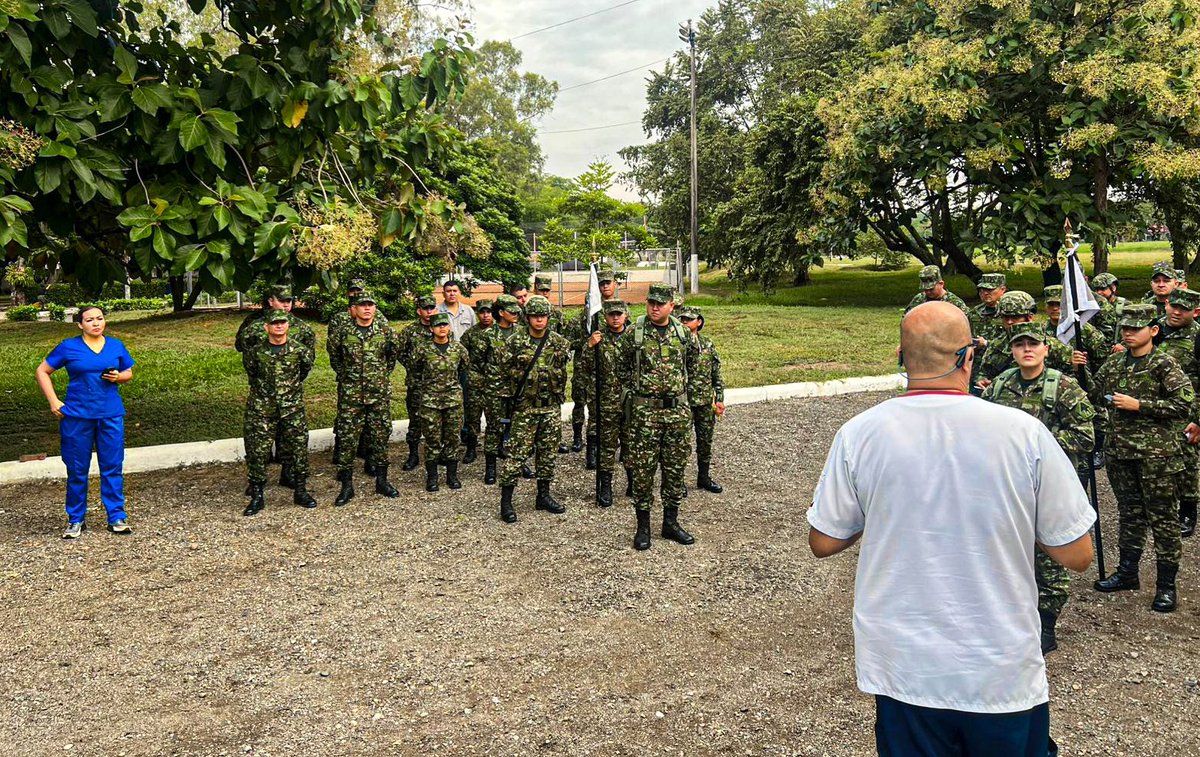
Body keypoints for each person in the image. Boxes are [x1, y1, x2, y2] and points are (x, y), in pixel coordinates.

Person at [808, 301, 1095, 756]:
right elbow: (1078, 555)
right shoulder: (1024, 433)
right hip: (998, 666)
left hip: (904, 668)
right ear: (968, 357)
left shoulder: (859, 433)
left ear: (901, 358)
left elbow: (824, 541)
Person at [982, 323, 1095, 653]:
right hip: (1005, 488)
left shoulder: (1064, 387)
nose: (1027, 350)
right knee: (1005, 553)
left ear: (1046, 349)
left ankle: (1046, 624)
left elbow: (1085, 436)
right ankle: (1009, 617)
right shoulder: (1000, 386)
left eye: (1033, 344)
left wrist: (1035, 447)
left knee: (1049, 558)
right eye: (1020, 345)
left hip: (1046, 487)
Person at [1090, 303, 1192, 612]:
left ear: (1153, 330)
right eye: (1126, 328)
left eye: (1136, 327)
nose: (1130, 333)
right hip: (1121, 452)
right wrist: (1081, 369)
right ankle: (1127, 572)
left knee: (1163, 519)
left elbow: (1183, 403)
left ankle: (1165, 586)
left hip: (1157, 456)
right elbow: (1096, 394)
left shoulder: (1164, 364)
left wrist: (1141, 405)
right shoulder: (1114, 363)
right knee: (1130, 514)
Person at [36, 305, 136, 538]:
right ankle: (75, 519)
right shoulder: (69, 347)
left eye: (99, 318)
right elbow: (42, 371)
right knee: (77, 468)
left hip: (110, 414)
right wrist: (54, 401)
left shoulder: (115, 345)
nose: (96, 323)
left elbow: (128, 372)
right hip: (77, 416)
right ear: (80, 324)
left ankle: (116, 516)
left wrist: (118, 377)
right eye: (89, 320)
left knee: (112, 466)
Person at [616, 282, 699, 550]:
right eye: (651, 302)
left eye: (660, 304)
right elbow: (621, 368)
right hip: (644, 416)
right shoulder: (635, 333)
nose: (654, 307)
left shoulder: (683, 334)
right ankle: (643, 527)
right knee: (643, 472)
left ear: (672, 306)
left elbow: (693, 368)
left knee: (675, 470)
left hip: (676, 414)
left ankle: (671, 522)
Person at [497, 295, 571, 523]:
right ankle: (506, 502)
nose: (539, 321)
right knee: (517, 455)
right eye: (535, 316)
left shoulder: (559, 342)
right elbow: (502, 373)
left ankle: (543, 495)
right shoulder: (514, 343)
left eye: (543, 316)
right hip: (525, 409)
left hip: (550, 408)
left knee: (547, 454)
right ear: (527, 318)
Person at [235, 284, 317, 487]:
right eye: (282, 301)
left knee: (291, 440)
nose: (286, 305)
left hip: (289, 395)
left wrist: (289, 383)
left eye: (289, 301)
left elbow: (306, 363)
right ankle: (257, 483)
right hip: (263, 394)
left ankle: (289, 475)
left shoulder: (303, 329)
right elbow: (246, 355)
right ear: (271, 301)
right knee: (259, 441)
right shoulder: (254, 327)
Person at [327, 291, 401, 506]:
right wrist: (347, 377)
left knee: (380, 436)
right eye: (362, 305)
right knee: (348, 439)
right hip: (351, 396)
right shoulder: (343, 332)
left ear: (375, 308)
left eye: (370, 305)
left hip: (378, 394)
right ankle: (347, 486)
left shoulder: (385, 330)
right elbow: (335, 357)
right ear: (354, 309)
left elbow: (391, 357)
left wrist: (379, 377)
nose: (367, 308)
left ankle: (382, 481)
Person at [327, 278, 384, 474]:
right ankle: (343, 459)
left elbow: (390, 354)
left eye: (358, 290)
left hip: (374, 384)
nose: (355, 293)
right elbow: (335, 352)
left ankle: (369, 458)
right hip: (350, 383)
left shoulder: (380, 321)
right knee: (346, 422)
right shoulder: (340, 320)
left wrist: (379, 373)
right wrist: (346, 373)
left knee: (373, 426)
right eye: (352, 291)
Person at [580, 299, 633, 507]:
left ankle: (633, 483)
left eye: (619, 314)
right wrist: (589, 346)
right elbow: (584, 367)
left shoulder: (634, 338)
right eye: (612, 314)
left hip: (629, 403)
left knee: (631, 445)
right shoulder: (598, 338)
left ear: (626, 315)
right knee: (607, 447)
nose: (616, 317)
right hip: (606, 404)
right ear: (605, 316)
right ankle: (605, 487)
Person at [409, 312, 470, 492]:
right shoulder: (422, 349)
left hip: (453, 401)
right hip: (430, 402)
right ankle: (432, 477)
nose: (442, 328)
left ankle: (452, 476)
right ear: (431, 328)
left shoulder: (458, 349)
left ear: (449, 327)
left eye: (445, 325)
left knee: (453, 438)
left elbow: (464, 368)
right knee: (432, 439)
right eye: (438, 325)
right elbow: (415, 370)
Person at [1158, 288, 1200, 538]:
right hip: (1155, 407)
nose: (1176, 311)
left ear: (1195, 311)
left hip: (1187, 410)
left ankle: (1187, 511)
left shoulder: (1197, 336)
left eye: (1183, 309)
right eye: (1173, 306)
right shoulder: (1154, 330)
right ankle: (1160, 508)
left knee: (1186, 463)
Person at [564, 270, 619, 458]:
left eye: (607, 282)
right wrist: (587, 343)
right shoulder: (585, 315)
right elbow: (570, 342)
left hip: (609, 368)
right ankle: (578, 437)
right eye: (601, 283)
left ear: (615, 284)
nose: (604, 286)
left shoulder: (620, 310)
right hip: (584, 365)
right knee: (580, 401)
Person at [975, 291, 1072, 389]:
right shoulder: (997, 345)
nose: (1009, 322)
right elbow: (983, 372)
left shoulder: (1050, 344)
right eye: (1005, 317)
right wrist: (982, 380)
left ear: (1029, 317)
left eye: (1015, 317)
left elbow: (1073, 374)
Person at [679, 305, 725, 494]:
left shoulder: (707, 344)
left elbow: (716, 373)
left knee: (705, 442)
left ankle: (703, 477)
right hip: (684, 402)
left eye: (689, 319)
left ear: (699, 322)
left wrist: (719, 398)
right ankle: (678, 481)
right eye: (682, 319)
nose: (684, 322)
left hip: (705, 402)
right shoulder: (678, 344)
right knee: (681, 443)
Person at [480, 295, 523, 485]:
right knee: (494, 428)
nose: (515, 314)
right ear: (501, 313)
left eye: (516, 311)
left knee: (517, 428)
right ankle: (491, 468)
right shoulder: (488, 335)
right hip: (495, 390)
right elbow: (478, 361)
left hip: (517, 389)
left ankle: (517, 463)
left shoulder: (522, 333)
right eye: (511, 311)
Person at [397, 294, 438, 471]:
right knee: (415, 421)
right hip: (417, 384)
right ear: (418, 311)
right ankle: (413, 455)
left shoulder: (441, 327)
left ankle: (438, 454)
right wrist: (414, 366)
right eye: (425, 309)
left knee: (437, 422)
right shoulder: (409, 331)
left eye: (432, 308)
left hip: (438, 384)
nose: (429, 312)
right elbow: (400, 352)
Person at [460, 297, 494, 465]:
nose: (486, 315)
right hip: (474, 382)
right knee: (473, 417)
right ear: (477, 314)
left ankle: (495, 448)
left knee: (494, 418)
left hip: (494, 383)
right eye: (482, 312)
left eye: (489, 312)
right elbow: (462, 356)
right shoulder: (470, 334)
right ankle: (471, 448)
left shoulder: (499, 332)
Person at [904, 265, 970, 316]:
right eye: (925, 289)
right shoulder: (918, 299)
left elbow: (965, 324)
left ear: (941, 284)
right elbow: (906, 318)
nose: (928, 292)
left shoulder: (955, 303)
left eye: (931, 289)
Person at [968, 273, 1007, 346]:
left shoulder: (1010, 314)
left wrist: (986, 343)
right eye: (982, 289)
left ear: (1002, 290)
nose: (985, 293)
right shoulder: (974, 312)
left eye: (990, 289)